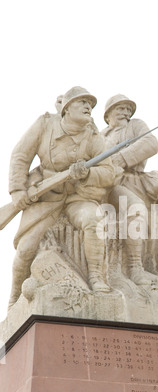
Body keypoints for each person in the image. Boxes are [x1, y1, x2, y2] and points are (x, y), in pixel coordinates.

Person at [8, 86, 115, 308]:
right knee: (26, 247)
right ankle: (14, 297)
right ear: (66, 109)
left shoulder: (94, 135)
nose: (88, 107)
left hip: (78, 195)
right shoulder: (45, 124)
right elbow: (20, 155)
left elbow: (108, 172)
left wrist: (87, 173)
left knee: (93, 219)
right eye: (82, 102)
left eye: (91, 104)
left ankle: (97, 277)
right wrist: (17, 190)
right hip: (45, 195)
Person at [101, 94, 158, 285]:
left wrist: (121, 158)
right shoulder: (99, 135)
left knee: (139, 208)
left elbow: (151, 143)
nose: (126, 113)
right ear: (108, 113)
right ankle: (130, 268)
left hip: (132, 181)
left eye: (128, 109)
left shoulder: (136, 125)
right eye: (120, 108)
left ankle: (136, 268)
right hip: (107, 184)